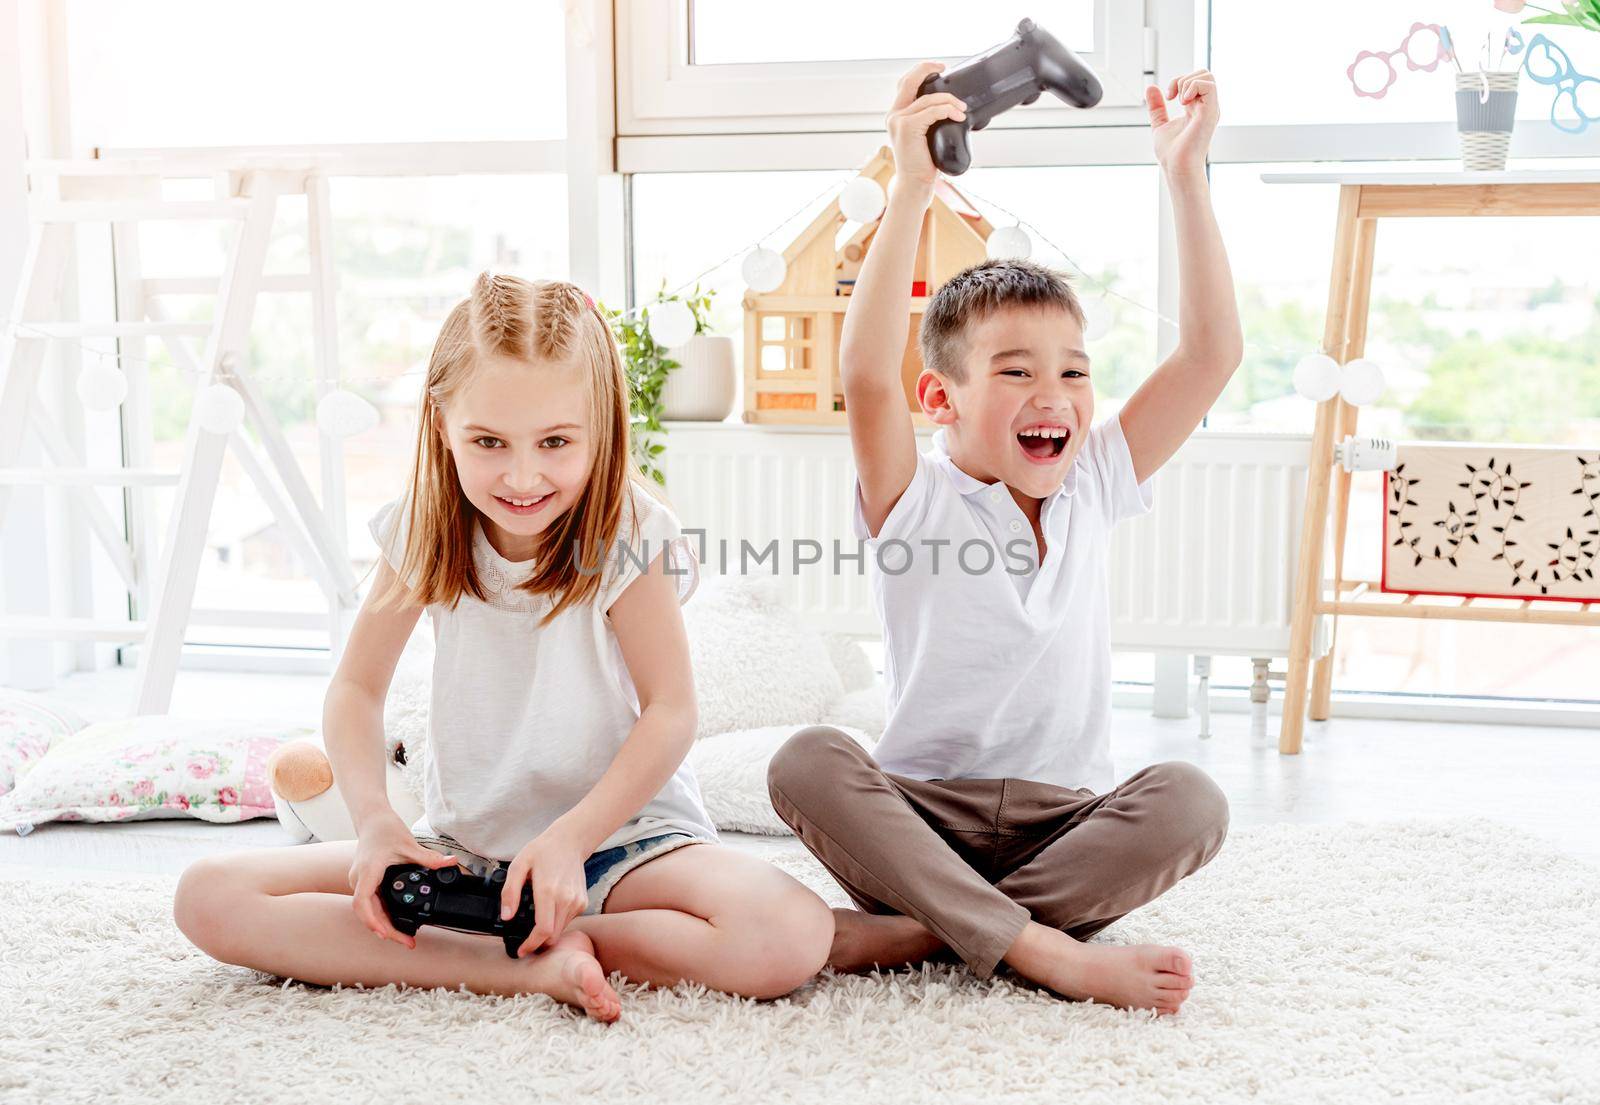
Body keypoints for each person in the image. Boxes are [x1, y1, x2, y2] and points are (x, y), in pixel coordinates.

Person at [175, 273, 833, 1022]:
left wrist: (569, 840)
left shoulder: (628, 535)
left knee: (791, 932)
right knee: (208, 896)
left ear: (602, 426)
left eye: (556, 442)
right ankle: (518, 964)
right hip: (465, 850)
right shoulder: (421, 529)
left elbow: (671, 711)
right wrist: (376, 824)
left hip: (622, 844)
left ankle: (550, 936)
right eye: (488, 442)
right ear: (441, 424)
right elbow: (356, 690)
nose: (523, 476)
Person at [767, 62, 1240, 1016]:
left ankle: (923, 935)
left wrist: (1185, 173)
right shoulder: (914, 495)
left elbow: (1209, 354)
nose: (1053, 396)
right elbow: (866, 375)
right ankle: (1044, 950)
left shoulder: (1095, 478)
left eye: (1072, 372)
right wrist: (911, 186)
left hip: (1064, 827)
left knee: (1193, 798)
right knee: (805, 759)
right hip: (919, 821)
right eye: (1017, 371)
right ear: (941, 398)